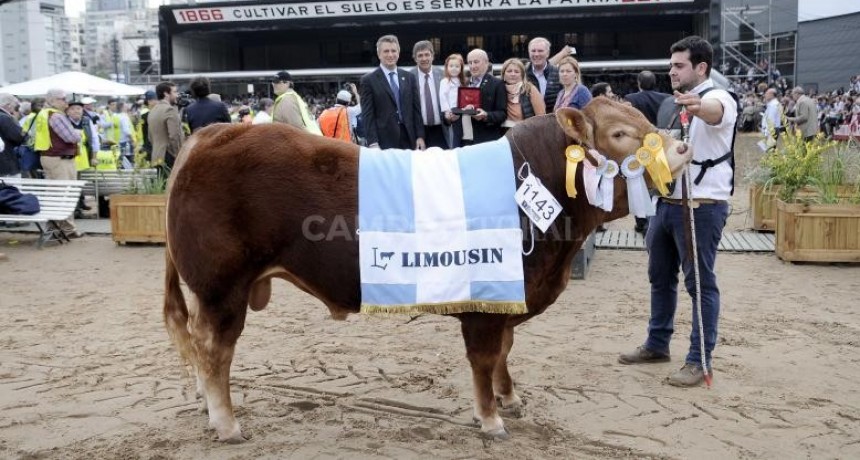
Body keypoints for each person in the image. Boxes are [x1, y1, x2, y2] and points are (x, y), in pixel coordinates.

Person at [618, 36, 736, 387]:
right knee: (659, 277)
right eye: (670, 65)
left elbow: (715, 113)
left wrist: (697, 106)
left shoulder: (718, 98)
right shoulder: (671, 104)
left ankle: (699, 360)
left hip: (701, 207)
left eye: (679, 65)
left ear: (701, 67)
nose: (671, 71)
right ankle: (657, 344)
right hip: (666, 204)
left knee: (700, 284)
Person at [625, 70, 672, 235]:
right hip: (660, 145)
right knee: (659, 182)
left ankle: (641, 221)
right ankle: (657, 218)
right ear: (655, 82)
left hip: (639, 146)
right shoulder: (667, 98)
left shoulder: (631, 99)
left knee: (639, 183)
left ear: (638, 83)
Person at [33, 89, 84, 238]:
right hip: (60, 159)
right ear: (54, 100)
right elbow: (71, 137)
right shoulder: (56, 116)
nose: (66, 102)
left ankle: (54, 226)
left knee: (54, 193)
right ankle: (68, 229)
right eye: (63, 99)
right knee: (65, 194)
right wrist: (78, 133)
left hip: (49, 157)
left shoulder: (43, 114)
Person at [359, 35, 424, 149]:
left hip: (410, 139)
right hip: (383, 141)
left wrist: (420, 136)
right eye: (386, 51)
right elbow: (368, 115)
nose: (390, 55)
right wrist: (373, 142)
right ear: (379, 54)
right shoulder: (368, 80)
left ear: (398, 53)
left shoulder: (409, 77)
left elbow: (416, 110)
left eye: (393, 51)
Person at [464, 48, 506, 144]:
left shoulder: (497, 84)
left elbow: (502, 114)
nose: (472, 66)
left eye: (476, 62)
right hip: (464, 139)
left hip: (486, 139)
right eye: (469, 63)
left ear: (486, 63)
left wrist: (486, 115)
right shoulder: (464, 83)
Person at [410, 40, 446, 148]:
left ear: (433, 56)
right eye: (420, 55)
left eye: (427, 54)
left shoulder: (443, 74)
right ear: (415, 58)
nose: (424, 58)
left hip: (442, 130)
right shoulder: (409, 77)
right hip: (420, 132)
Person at [147, 81, 184, 171]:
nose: (177, 95)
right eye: (175, 92)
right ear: (166, 94)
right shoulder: (170, 110)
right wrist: (179, 156)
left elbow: (150, 137)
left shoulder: (153, 110)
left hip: (156, 156)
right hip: (169, 156)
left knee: (163, 184)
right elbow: (175, 136)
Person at [271, 71, 322, 135]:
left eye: (276, 81)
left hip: (308, 142)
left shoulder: (287, 100)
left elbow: (297, 129)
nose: (273, 84)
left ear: (286, 83)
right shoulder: (293, 97)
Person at [500, 58, 545, 130]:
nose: (513, 74)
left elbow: (541, 116)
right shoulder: (499, 89)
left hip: (526, 132)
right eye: (509, 71)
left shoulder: (530, 89)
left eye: (517, 72)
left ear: (522, 75)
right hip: (503, 133)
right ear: (503, 74)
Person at [525, 37, 562, 109]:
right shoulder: (522, 74)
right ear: (529, 53)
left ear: (547, 53)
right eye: (533, 51)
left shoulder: (559, 74)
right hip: (530, 119)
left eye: (540, 51)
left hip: (552, 118)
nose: (536, 54)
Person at [439, 53, 466, 148]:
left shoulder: (462, 81)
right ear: (447, 67)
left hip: (462, 111)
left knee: (461, 134)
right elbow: (443, 97)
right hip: (451, 111)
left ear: (461, 68)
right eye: (451, 66)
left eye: (457, 66)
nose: (454, 68)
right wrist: (447, 111)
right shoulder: (445, 81)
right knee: (454, 136)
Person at [0, 93, 24, 178]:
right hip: (7, 162)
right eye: (16, 106)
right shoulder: (5, 118)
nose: (16, 109)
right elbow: (18, 137)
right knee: (12, 189)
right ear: (8, 105)